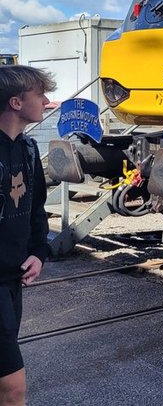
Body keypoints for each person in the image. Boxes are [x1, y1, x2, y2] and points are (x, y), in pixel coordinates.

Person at [0, 66, 55, 406]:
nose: (48, 101)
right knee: (13, 388)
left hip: (12, 282)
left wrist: (38, 252)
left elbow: (36, 209)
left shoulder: (29, 150)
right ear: (17, 102)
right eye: (40, 94)